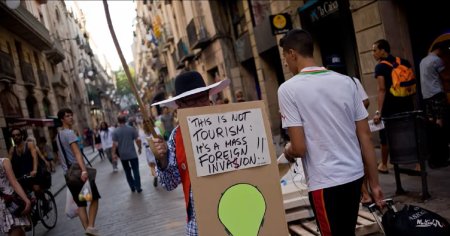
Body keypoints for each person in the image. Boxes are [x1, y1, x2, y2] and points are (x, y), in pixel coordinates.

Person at [277, 29, 384, 235]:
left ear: (292, 53)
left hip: (325, 183)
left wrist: (287, 153)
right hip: (354, 177)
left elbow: (299, 148)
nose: (285, 63)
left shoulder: (288, 89)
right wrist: (374, 183)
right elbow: (365, 136)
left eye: (284, 58)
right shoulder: (348, 82)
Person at [152, 71, 230, 235]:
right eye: (190, 101)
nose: (198, 105)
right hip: (201, 224)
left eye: (201, 98)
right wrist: (163, 159)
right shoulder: (177, 137)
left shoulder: (232, 125)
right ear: (180, 106)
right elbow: (169, 183)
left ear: (209, 98)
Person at [372, 39, 415, 173]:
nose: (373, 53)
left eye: (375, 50)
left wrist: (379, 111)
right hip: (406, 103)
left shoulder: (380, 67)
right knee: (411, 133)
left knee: (385, 135)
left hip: (390, 107)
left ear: (383, 50)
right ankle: (418, 164)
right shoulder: (404, 62)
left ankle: (384, 164)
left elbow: (382, 89)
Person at [56, 108, 100, 236]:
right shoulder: (69, 133)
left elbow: (60, 155)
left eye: (71, 115)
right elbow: (77, 153)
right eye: (67, 116)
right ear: (62, 119)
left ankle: (87, 230)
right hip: (78, 174)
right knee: (94, 199)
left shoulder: (58, 135)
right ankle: (90, 227)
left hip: (68, 175)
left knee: (81, 203)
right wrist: (84, 171)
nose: (71, 118)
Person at [420, 40, 450, 167]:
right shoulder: (437, 60)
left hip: (426, 97)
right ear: (440, 50)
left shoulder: (423, 61)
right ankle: (442, 157)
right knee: (440, 124)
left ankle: (433, 157)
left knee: (432, 125)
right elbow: (446, 77)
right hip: (437, 94)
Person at [0, 157, 32, 236]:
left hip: (5, 206)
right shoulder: (4, 162)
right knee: (17, 231)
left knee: (17, 231)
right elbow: (14, 183)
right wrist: (26, 200)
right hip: (10, 203)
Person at [112, 116, 142, 193]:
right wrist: (139, 148)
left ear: (118, 121)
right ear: (125, 120)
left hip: (123, 155)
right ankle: (138, 187)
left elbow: (114, 144)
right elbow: (137, 139)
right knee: (135, 170)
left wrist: (113, 154)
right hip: (132, 153)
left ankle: (132, 186)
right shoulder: (131, 129)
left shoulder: (115, 131)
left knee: (127, 171)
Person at [8, 129, 40, 194]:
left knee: (36, 189)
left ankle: (44, 201)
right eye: (13, 136)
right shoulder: (12, 149)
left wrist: (35, 170)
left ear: (22, 135)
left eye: (18, 135)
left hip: (32, 173)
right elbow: (8, 164)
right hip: (22, 176)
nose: (15, 137)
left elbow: (35, 157)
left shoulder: (29, 144)